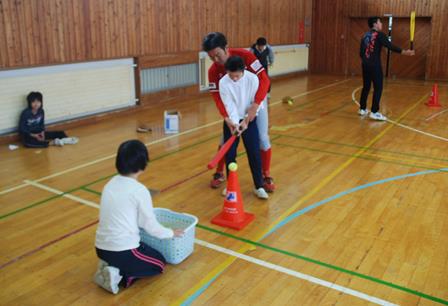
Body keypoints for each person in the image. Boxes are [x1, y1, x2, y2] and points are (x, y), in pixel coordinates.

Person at [94, 140, 183, 294]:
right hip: (122, 250)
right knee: (159, 263)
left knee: (144, 249)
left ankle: (110, 266)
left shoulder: (110, 183)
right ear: (143, 164)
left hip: (101, 248)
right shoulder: (139, 190)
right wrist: (171, 233)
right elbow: (150, 226)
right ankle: (120, 277)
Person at [203, 32, 275, 193]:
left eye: (218, 55)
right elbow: (217, 97)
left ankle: (265, 175)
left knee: (262, 139)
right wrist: (227, 118)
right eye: (211, 57)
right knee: (226, 140)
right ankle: (220, 172)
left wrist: (255, 106)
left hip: (256, 100)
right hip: (234, 108)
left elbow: (264, 79)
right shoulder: (214, 71)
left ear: (226, 48)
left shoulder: (246, 56)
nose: (216, 60)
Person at [219, 56, 268, 199]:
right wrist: (234, 123)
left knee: (254, 152)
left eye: (237, 76)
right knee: (230, 154)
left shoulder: (253, 79)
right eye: (231, 75)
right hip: (232, 122)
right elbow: (229, 105)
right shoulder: (223, 82)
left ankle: (259, 186)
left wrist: (246, 120)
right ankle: (230, 185)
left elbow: (255, 104)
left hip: (250, 119)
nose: (234, 79)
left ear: (243, 70)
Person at [359, 17, 415, 121]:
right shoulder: (380, 35)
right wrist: (405, 52)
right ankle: (374, 112)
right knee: (378, 88)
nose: (381, 24)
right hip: (375, 66)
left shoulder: (364, 35)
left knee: (366, 87)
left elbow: (361, 53)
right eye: (380, 22)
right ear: (375, 24)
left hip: (365, 65)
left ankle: (362, 109)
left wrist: (366, 60)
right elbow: (390, 46)